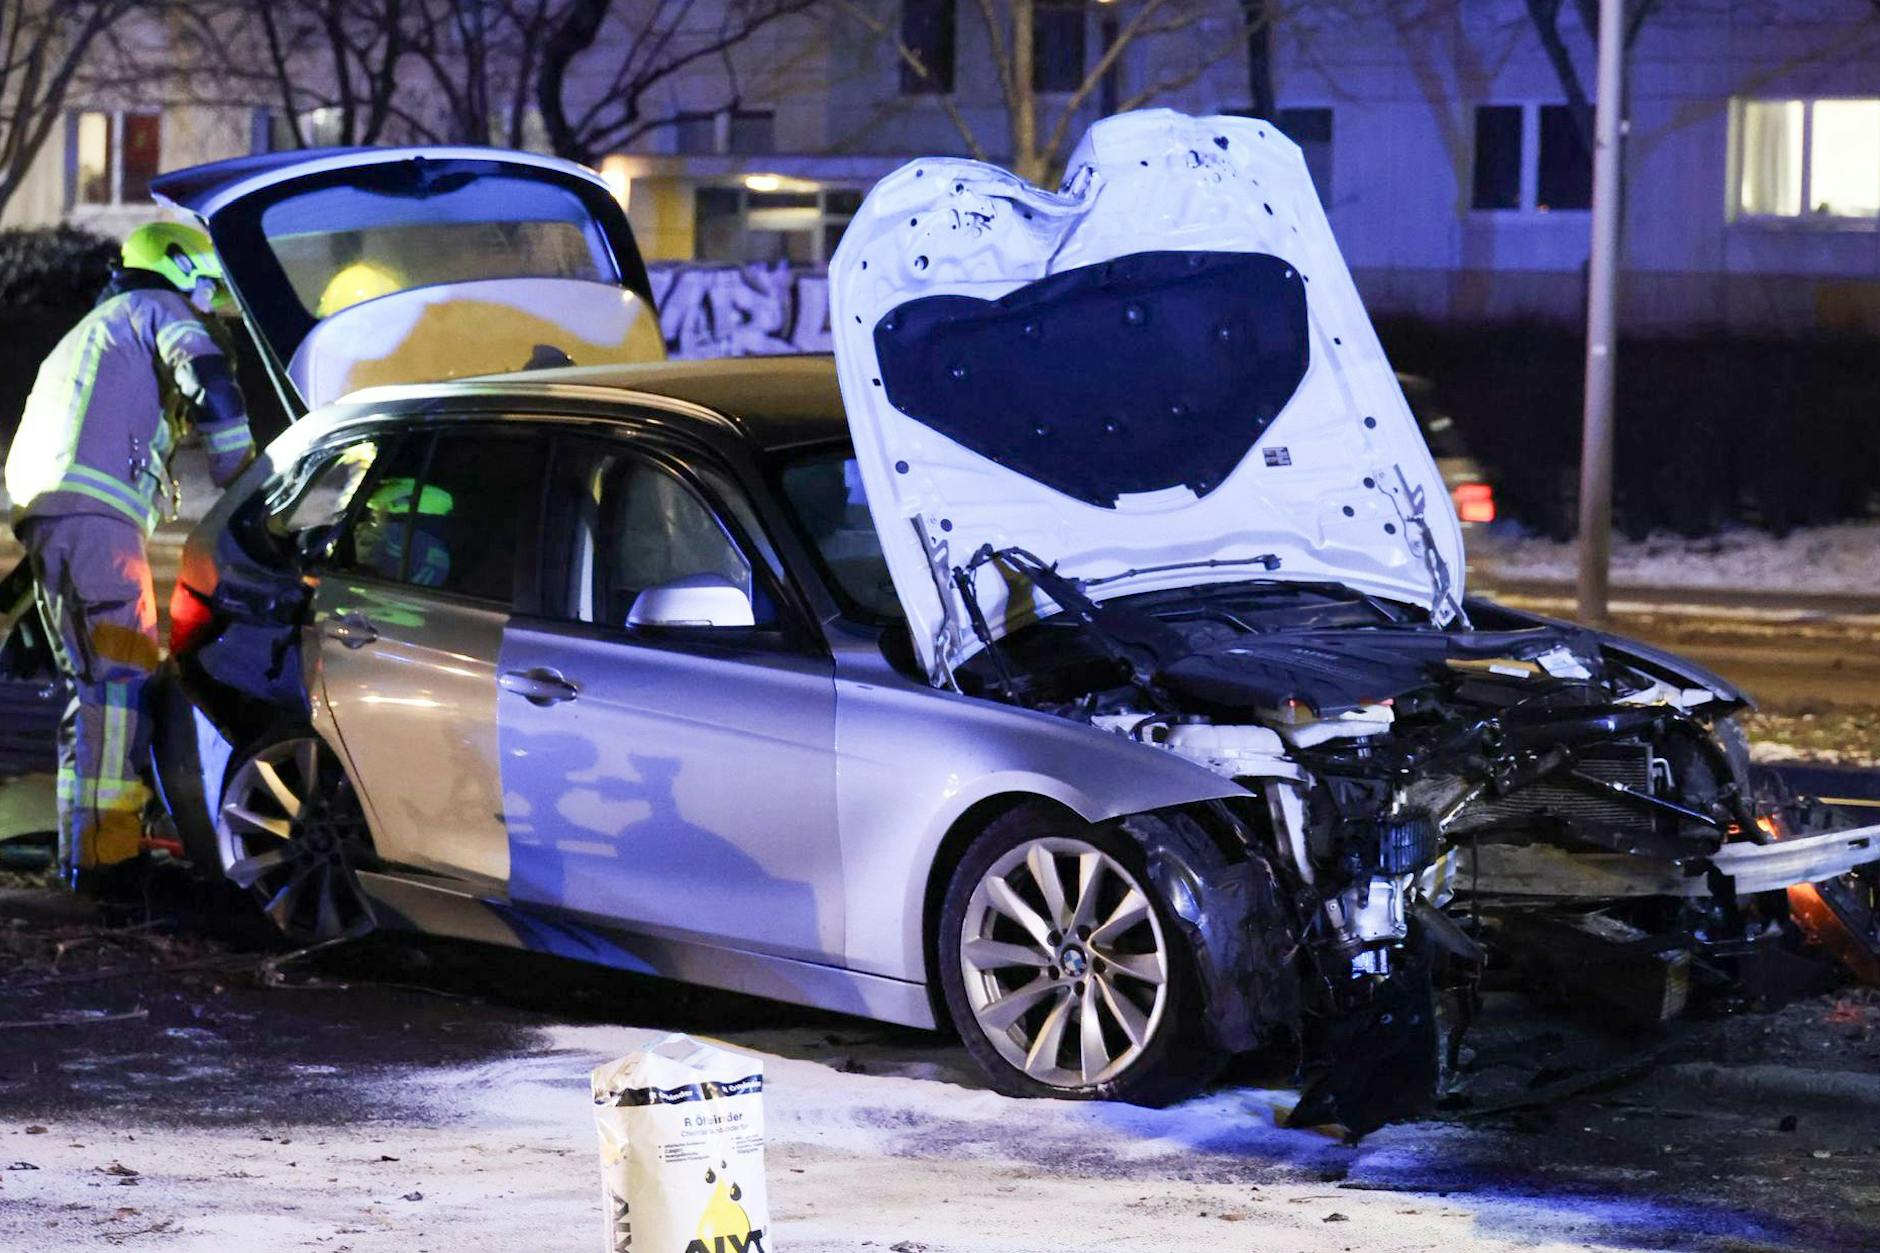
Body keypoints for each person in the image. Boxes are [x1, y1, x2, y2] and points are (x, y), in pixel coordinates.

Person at [3, 222, 256, 892]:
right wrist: (243, 470)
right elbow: (206, 372)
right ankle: (108, 862)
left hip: (56, 521)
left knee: (94, 690)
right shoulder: (159, 310)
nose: (206, 300)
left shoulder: (93, 330)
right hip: (98, 526)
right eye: (203, 282)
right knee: (122, 683)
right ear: (178, 270)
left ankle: (84, 849)